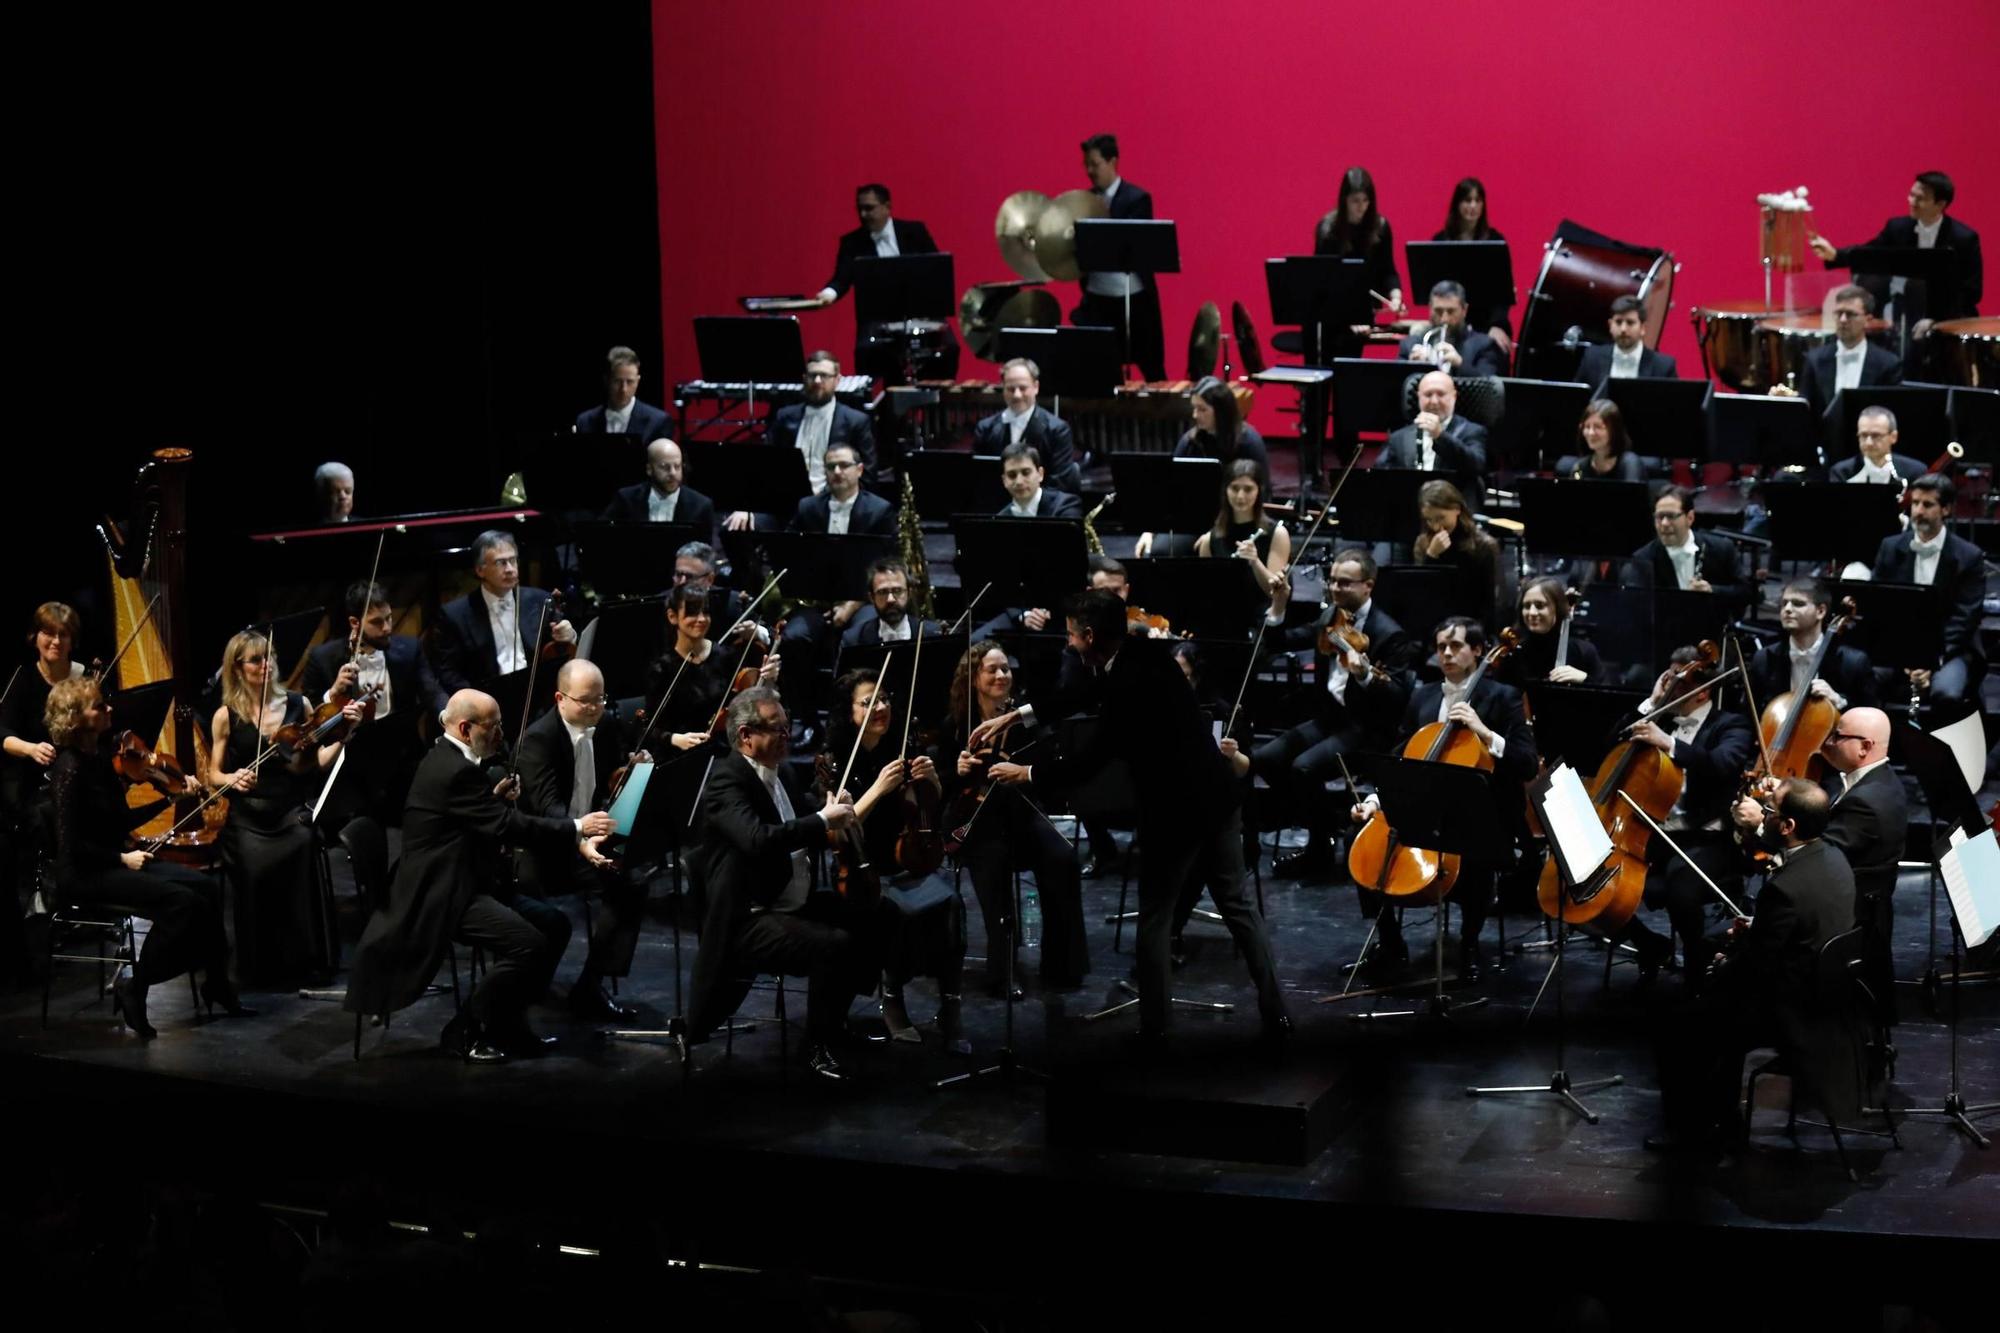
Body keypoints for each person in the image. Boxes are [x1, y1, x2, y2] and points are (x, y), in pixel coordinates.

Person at [984, 592, 1289, 1043]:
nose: (1068, 642)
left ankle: (1155, 1031)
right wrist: (1020, 715)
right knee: (1238, 907)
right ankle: (1276, 1013)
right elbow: (1086, 690)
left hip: (1176, 815)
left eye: (1071, 634)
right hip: (1218, 799)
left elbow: (1090, 760)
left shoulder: (1126, 686)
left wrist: (1026, 772)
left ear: (1088, 636)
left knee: (1154, 921)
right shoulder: (1146, 653)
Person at [343, 689, 615, 1062]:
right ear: (466, 728)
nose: (501, 734)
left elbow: (472, 819)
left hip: (470, 878)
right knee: (527, 944)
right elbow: (507, 826)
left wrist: (494, 799)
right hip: (442, 894)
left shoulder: (456, 760)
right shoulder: (453, 770)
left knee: (554, 925)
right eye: (495, 726)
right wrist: (577, 827)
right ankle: (464, 1028)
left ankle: (508, 1024)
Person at [1647, 779, 1856, 1156]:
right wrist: (1757, 927)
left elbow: (1757, 969)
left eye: (1770, 811)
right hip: (1826, 994)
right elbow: (1790, 930)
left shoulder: (1786, 887)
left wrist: (1723, 964)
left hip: (1791, 1010)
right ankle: (1721, 1117)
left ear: (1788, 827)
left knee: (1679, 1026)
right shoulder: (1833, 857)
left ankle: (1691, 1132)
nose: (1764, 816)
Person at [682, 687, 871, 1082]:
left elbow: (804, 822)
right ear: (746, 735)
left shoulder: (781, 771)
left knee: (873, 913)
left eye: (788, 728)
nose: (787, 737)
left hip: (787, 898)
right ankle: (815, 1046)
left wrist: (833, 807)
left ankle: (833, 1023)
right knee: (833, 945)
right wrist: (822, 820)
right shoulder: (726, 782)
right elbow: (758, 838)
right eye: (777, 729)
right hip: (750, 916)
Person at [45, 676, 243, 1038]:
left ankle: (216, 981)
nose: (109, 709)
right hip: (86, 875)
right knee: (182, 903)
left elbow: (121, 820)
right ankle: (136, 985)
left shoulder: (100, 759)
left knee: (207, 888)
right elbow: (69, 846)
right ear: (76, 718)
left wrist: (169, 799)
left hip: (114, 859)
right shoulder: (68, 768)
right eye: (98, 706)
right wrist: (121, 860)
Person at [1350, 616, 1535, 981]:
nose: (1446, 654)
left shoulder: (1504, 697)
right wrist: (1375, 800)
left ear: (1478, 651)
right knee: (1359, 842)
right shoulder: (1423, 696)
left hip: (1484, 814)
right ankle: (1390, 944)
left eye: (1456, 646)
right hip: (1423, 811)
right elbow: (1402, 757)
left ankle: (1468, 945)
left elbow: (1526, 763)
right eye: (1441, 647)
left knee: (1475, 854)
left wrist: (1484, 732)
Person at [1733, 707, 1907, 1030]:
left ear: (1865, 747)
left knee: (1744, 953)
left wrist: (1762, 823)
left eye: (1838, 735)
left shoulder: (1867, 802)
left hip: (1843, 920)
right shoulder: (1879, 781)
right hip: (1862, 908)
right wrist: (1786, 797)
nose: (1828, 741)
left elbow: (1816, 857)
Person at [205, 629, 357, 988]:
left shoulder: (299, 704)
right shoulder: (226, 716)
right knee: (252, 864)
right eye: (257, 659)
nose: (266, 664)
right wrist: (232, 778)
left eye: (269, 656)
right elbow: (212, 774)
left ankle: (304, 961)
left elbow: (318, 762)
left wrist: (344, 735)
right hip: (248, 816)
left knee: (304, 841)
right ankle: (261, 966)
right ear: (238, 668)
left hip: (289, 808)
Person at [1255, 548, 1418, 878]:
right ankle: (1327, 824)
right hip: (1331, 720)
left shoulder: (1390, 635)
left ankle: (1318, 848)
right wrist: (1279, 604)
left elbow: (1398, 697)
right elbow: (1279, 640)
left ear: (1368, 586)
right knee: (1267, 759)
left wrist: (1365, 675)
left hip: (1368, 729)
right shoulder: (1332, 617)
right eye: (1332, 581)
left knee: (1303, 769)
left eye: (1345, 583)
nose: (1335, 588)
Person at [820, 668, 962, 1046]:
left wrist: (932, 783)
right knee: (898, 913)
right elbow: (836, 827)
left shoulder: (903, 745)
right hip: (864, 865)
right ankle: (892, 997)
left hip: (909, 853)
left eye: (883, 699)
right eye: (868, 702)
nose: (880, 707)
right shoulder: (837, 759)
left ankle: (951, 1000)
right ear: (848, 712)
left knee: (952, 903)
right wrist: (880, 789)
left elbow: (930, 806)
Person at [511, 659, 650, 1022]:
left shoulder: (603, 725)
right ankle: (524, 986)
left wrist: (633, 767)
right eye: (585, 701)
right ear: (560, 698)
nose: (594, 708)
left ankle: (591, 984)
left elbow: (609, 776)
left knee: (631, 884)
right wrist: (580, 836)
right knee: (540, 908)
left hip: (585, 837)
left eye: (600, 699)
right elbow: (547, 807)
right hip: (542, 847)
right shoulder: (538, 739)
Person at [945, 640, 1087, 995]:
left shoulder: (1025, 719)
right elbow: (938, 780)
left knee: (1062, 856)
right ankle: (1002, 970)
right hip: (974, 820)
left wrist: (1024, 770)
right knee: (992, 863)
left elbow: (1048, 767)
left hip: (1021, 814)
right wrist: (957, 768)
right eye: (991, 669)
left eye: (1005, 668)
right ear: (973, 677)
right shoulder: (957, 722)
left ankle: (1062, 965)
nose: (1000, 675)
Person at [1613, 647, 1759, 985]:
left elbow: (1722, 764)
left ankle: (1698, 968)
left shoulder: (1730, 724)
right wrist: (1651, 704)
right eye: (1667, 678)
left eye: (1676, 682)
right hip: (1651, 833)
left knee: (1681, 885)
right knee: (1582, 876)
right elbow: (1611, 746)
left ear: (1702, 690)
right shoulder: (1658, 716)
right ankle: (1647, 942)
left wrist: (1669, 744)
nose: (1667, 686)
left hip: (1707, 838)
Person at [301, 581, 448, 827]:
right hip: (351, 759)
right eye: (377, 623)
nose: (387, 627)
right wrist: (333, 693)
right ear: (354, 624)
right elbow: (310, 716)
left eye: (389, 618)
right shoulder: (324, 658)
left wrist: (448, 715)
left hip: (401, 756)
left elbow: (431, 691)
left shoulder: (410, 649)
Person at [1810, 171, 1983, 336]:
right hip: (1906, 316)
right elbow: (1871, 253)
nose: (1912, 201)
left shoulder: (1964, 238)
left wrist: (1937, 320)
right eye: (1911, 195)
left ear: (1940, 204)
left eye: (1920, 198)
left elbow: (1971, 291)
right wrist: (1835, 255)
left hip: (1950, 321)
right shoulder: (1898, 228)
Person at [1867, 473, 1985, 708]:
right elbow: (1881, 605)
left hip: (1950, 648)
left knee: (1946, 692)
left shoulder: (1969, 556)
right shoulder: (1890, 547)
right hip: (1898, 644)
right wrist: (1905, 655)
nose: (1918, 511)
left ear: (1946, 509)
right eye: (1915, 503)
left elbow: (1964, 619)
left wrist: (1930, 661)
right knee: (1866, 679)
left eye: (1928, 505)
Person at [728, 353, 879, 530]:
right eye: (812, 375)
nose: (817, 381)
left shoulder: (856, 422)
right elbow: (763, 468)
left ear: (837, 380)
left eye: (824, 376)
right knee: (734, 527)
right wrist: (747, 508)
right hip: (784, 505)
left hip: (831, 505)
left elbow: (867, 475)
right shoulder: (785, 417)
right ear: (804, 379)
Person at [428, 531, 576, 694]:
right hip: (486, 701)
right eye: (501, 563)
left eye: (513, 560)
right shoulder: (454, 615)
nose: (510, 569)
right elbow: (448, 674)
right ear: (480, 570)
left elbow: (559, 652)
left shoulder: (541, 600)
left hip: (536, 695)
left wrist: (569, 636)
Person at [1074, 133, 1166, 382]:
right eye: (1087, 165)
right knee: (1099, 372)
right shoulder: (1082, 201)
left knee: (1153, 369)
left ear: (1112, 161)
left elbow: (1134, 248)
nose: (1090, 171)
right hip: (1097, 299)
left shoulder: (1137, 199)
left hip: (1133, 298)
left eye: (1095, 164)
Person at [1773, 284, 1903, 421]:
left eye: (1850, 314)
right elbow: (1806, 410)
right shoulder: (1814, 360)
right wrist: (1787, 403)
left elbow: (1891, 415)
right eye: (1839, 313)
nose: (1843, 320)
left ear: (1868, 320)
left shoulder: (1888, 364)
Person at [1746, 578, 1874, 712]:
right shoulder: (1764, 659)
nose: (1787, 609)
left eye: (1798, 604)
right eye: (1784, 604)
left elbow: (1871, 720)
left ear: (1821, 611)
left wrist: (1838, 701)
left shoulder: (1854, 663)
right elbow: (1747, 718)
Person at [1380, 371, 1490, 509]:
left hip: (1454, 508)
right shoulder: (1399, 437)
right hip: (1410, 509)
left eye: (1441, 394)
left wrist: (1440, 436)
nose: (1434, 401)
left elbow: (1476, 466)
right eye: (1428, 395)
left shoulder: (1472, 431)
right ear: (1419, 396)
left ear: (1454, 396)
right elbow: (1381, 475)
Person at [972, 358, 1081, 496]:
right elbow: (980, 480)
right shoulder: (985, 429)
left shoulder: (1057, 430)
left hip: (1042, 510)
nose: (1017, 395)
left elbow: (1059, 484)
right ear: (1003, 388)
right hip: (997, 509)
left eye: (1023, 388)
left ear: (1036, 387)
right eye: (1011, 389)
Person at [1192, 460, 1290, 612]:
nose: (1240, 496)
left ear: (1259, 491)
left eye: (1248, 489)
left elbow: (1274, 594)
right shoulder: (1210, 540)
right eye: (1234, 488)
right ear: (1226, 490)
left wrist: (1255, 562)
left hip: (1262, 620)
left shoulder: (1277, 534)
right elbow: (1207, 593)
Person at [1432, 176, 1514, 350]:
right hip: (1451, 320)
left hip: (1488, 322)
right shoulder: (1440, 242)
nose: (1473, 206)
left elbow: (1504, 292)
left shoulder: (1496, 242)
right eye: (1467, 200)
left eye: (1478, 200)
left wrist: (1497, 325)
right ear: (1457, 204)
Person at [1314, 166, 1404, 322]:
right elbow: (1323, 279)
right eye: (1355, 201)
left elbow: (1388, 270)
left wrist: (1396, 297)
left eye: (1365, 200)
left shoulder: (1380, 227)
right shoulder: (1328, 230)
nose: (1361, 207)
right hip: (1333, 309)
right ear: (1345, 200)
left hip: (1366, 306)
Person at [1628, 485, 1745, 603]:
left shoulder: (1722, 549)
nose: (1664, 523)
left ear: (1690, 518)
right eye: (1659, 517)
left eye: (1671, 516)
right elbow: (1637, 604)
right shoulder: (1643, 559)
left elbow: (1745, 592)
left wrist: (1712, 590)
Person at [1412, 479, 1501, 629]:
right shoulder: (1423, 543)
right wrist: (1431, 556)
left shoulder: (1484, 545)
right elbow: (1421, 597)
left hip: (1472, 626)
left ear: (1457, 509)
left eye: (1441, 518)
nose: (1435, 526)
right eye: (1429, 520)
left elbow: (1491, 603)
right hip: (1435, 626)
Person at [1495, 576, 1599, 689]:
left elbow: (1609, 701)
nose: (1532, 612)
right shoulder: (1513, 655)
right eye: (1526, 606)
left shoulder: (1584, 652)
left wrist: (1585, 679)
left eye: (1540, 606)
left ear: (1557, 608)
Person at [602, 439, 717, 535]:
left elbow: (704, 553)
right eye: (664, 467)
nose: (673, 473)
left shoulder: (701, 506)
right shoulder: (626, 499)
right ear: (649, 469)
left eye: (677, 466)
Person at [1397, 280, 1506, 377]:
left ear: (1464, 310)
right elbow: (1394, 386)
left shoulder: (1484, 345)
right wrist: (1411, 367)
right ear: (1430, 308)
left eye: (1451, 311)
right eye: (1438, 311)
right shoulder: (1410, 344)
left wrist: (1460, 365)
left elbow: (1490, 389)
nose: (1444, 319)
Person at [1573, 295, 1680, 391]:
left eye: (1630, 322)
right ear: (1610, 325)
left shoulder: (1663, 366)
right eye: (1618, 322)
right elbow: (1577, 401)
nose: (1623, 329)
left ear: (1643, 328)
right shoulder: (1592, 358)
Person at [1172, 375, 1269, 474]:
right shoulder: (1190, 442)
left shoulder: (1249, 443)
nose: (1195, 415)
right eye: (1195, 408)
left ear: (1221, 411)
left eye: (1202, 409)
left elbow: (1262, 486)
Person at [840, 558, 941, 650]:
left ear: (909, 593)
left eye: (897, 591)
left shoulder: (933, 634)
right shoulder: (853, 640)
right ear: (871, 597)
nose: (890, 599)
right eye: (882, 592)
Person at [575, 345, 672, 440]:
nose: (623, 389)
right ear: (606, 380)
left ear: (638, 381)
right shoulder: (585, 421)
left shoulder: (657, 422)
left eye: (630, 382)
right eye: (617, 381)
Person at [1828, 406, 1927, 485]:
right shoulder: (1841, 473)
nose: (1868, 443)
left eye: (1876, 436)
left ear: (1893, 437)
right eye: (1863, 435)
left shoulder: (1916, 472)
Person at [1555, 398, 1647, 481]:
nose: (1591, 433)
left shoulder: (1630, 465)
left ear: (1614, 431)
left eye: (1598, 427)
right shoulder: (1580, 468)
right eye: (1587, 426)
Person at [996, 442, 1082, 518]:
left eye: (1026, 473)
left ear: (1040, 474)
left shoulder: (1066, 506)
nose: (1019, 481)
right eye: (1012, 475)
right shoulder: (1000, 518)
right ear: (1004, 480)